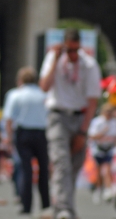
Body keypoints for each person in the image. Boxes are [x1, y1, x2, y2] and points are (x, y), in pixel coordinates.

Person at [39, 28, 102, 219]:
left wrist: (83, 132)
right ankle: (64, 209)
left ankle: (63, 205)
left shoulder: (89, 65)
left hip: (80, 117)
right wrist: (56, 60)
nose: (73, 55)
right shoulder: (54, 58)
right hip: (58, 116)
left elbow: (92, 101)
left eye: (76, 50)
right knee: (61, 164)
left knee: (74, 166)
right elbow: (44, 87)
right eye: (69, 50)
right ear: (64, 46)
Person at [3, 67, 51, 218]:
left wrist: (9, 137)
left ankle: (26, 205)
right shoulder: (44, 95)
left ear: (20, 80)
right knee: (43, 169)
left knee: (26, 169)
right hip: (41, 133)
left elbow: (9, 118)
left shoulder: (15, 94)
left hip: (23, 133)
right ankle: (46, 204)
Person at [88, 102, 116, 204]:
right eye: (108, 112)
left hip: (109, 149)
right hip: (98, 149)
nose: (109, 114)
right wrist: (103, 132)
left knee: (107, 168)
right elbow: (92, 136)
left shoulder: (114, 123)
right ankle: (98, 189)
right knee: (99, 171)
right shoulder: (97, 122)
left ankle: (108, 190)